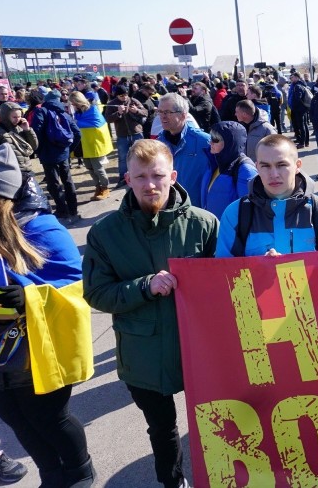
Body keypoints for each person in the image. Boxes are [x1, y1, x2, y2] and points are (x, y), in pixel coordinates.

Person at [83, 139, 218, 488]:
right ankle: (172, 481)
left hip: (199, 350)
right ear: (127, 179)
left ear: (172, 176)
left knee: (214, 419)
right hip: (143, 354)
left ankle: (222, 474)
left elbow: (226, 286)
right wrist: (144, 286)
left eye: (157, 175)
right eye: (140, 176)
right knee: (163, 429)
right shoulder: (105, 233)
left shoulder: (204, 224)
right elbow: (96, 293)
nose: (150, 184)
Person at [0, 144, 94, 487]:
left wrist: (28, 294)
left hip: (37, 352)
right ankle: (51, 476)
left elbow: (78, 284)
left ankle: (79, 474)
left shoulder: (41, 227)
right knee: (16, 421)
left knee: (50, 419)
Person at [215, 134, 318, 257]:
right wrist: (260, 269)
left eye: (281, 165)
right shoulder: (236, 214)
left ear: (297, 166)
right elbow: (224, 273)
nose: (274, 174)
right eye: (265, 166)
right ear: (257, 167)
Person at [30, 90, 82, 223]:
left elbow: (36, 133)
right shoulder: (63, 112)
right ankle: (73, 210)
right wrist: (69, 149)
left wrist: (39, 150)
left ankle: (62, 211)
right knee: (68, 181)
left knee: (53, 183)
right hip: (63, 153)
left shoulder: (41, 112)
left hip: (47, 154)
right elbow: (77, 133)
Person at [156, 93, 211, 208]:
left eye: (167, 112)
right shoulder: (158, 144)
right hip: (168, 208)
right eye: (160, 112)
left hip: (197, 209)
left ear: (183, 115)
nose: (162, 116)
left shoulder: (204, 142)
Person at [200, 121, 257, 219]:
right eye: (211, 138)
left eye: (215, 140)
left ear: (229, 143)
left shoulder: (245, 170)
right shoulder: (215, 163)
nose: (210, 143)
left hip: (230, 231)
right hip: (213, 229)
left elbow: (250, 211)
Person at [70, 91, 114, 201]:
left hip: (94, 144)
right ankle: (98, 187)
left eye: (74, 103)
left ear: (78, 101)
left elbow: (97, 124)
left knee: (98, 168)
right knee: (89, 167)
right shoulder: (78, 112)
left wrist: (76, 123)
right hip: (84, 145)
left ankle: (105, 187)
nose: (73, 105)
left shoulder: (93, 110)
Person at [104, 85, 148, 187]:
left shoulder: (133, 101)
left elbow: (145, 112)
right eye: (121, 95)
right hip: (122, 135)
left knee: (141, 155)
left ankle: (142, 174)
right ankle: (123, 178)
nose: (124, 97)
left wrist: (136, 110)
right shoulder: (111, 104)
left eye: (126, 94)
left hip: (136, 133)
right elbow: (107, 119)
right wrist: (118, 113)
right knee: (123, 158)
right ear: (117, 95)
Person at [0, 101, 38, 175]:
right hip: (9, 172)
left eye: (19, 116)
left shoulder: (20, 128)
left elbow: (34, 146)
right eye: (14, 117)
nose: (18, 119)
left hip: (26, 170)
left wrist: (28, 130)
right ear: (6, 116)